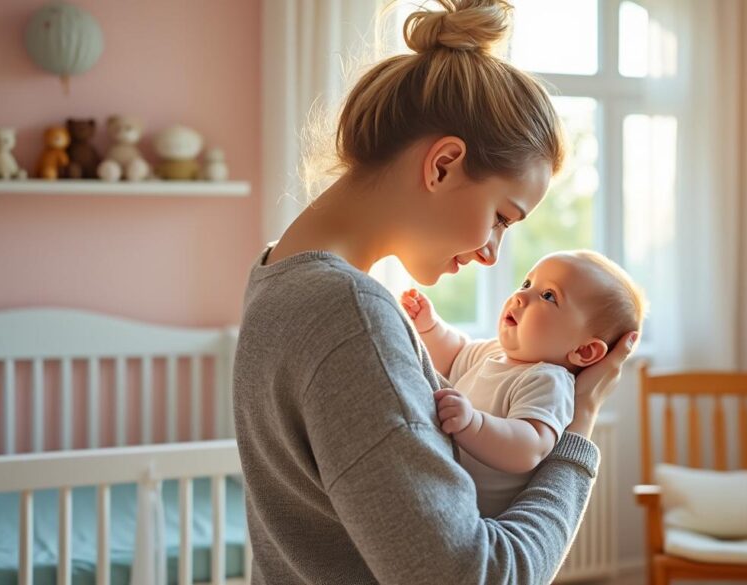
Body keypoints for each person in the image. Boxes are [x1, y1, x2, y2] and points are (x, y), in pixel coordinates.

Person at [232, 1, 639, 583]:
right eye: (501, 216)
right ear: (444, 164)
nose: (493, 252)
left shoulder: (275, 275)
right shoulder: (347, 312)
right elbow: (473, 576)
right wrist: (579, 430)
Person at [400, 250, 646, 517]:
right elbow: (456, 352)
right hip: (443, 491)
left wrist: (473, 423)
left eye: (548, 296)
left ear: (584, 351)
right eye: (527, 284)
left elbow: (529, 447)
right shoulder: (494, 353)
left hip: (480, 517)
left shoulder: (548, 381)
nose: (520, 296)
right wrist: (430, 327)